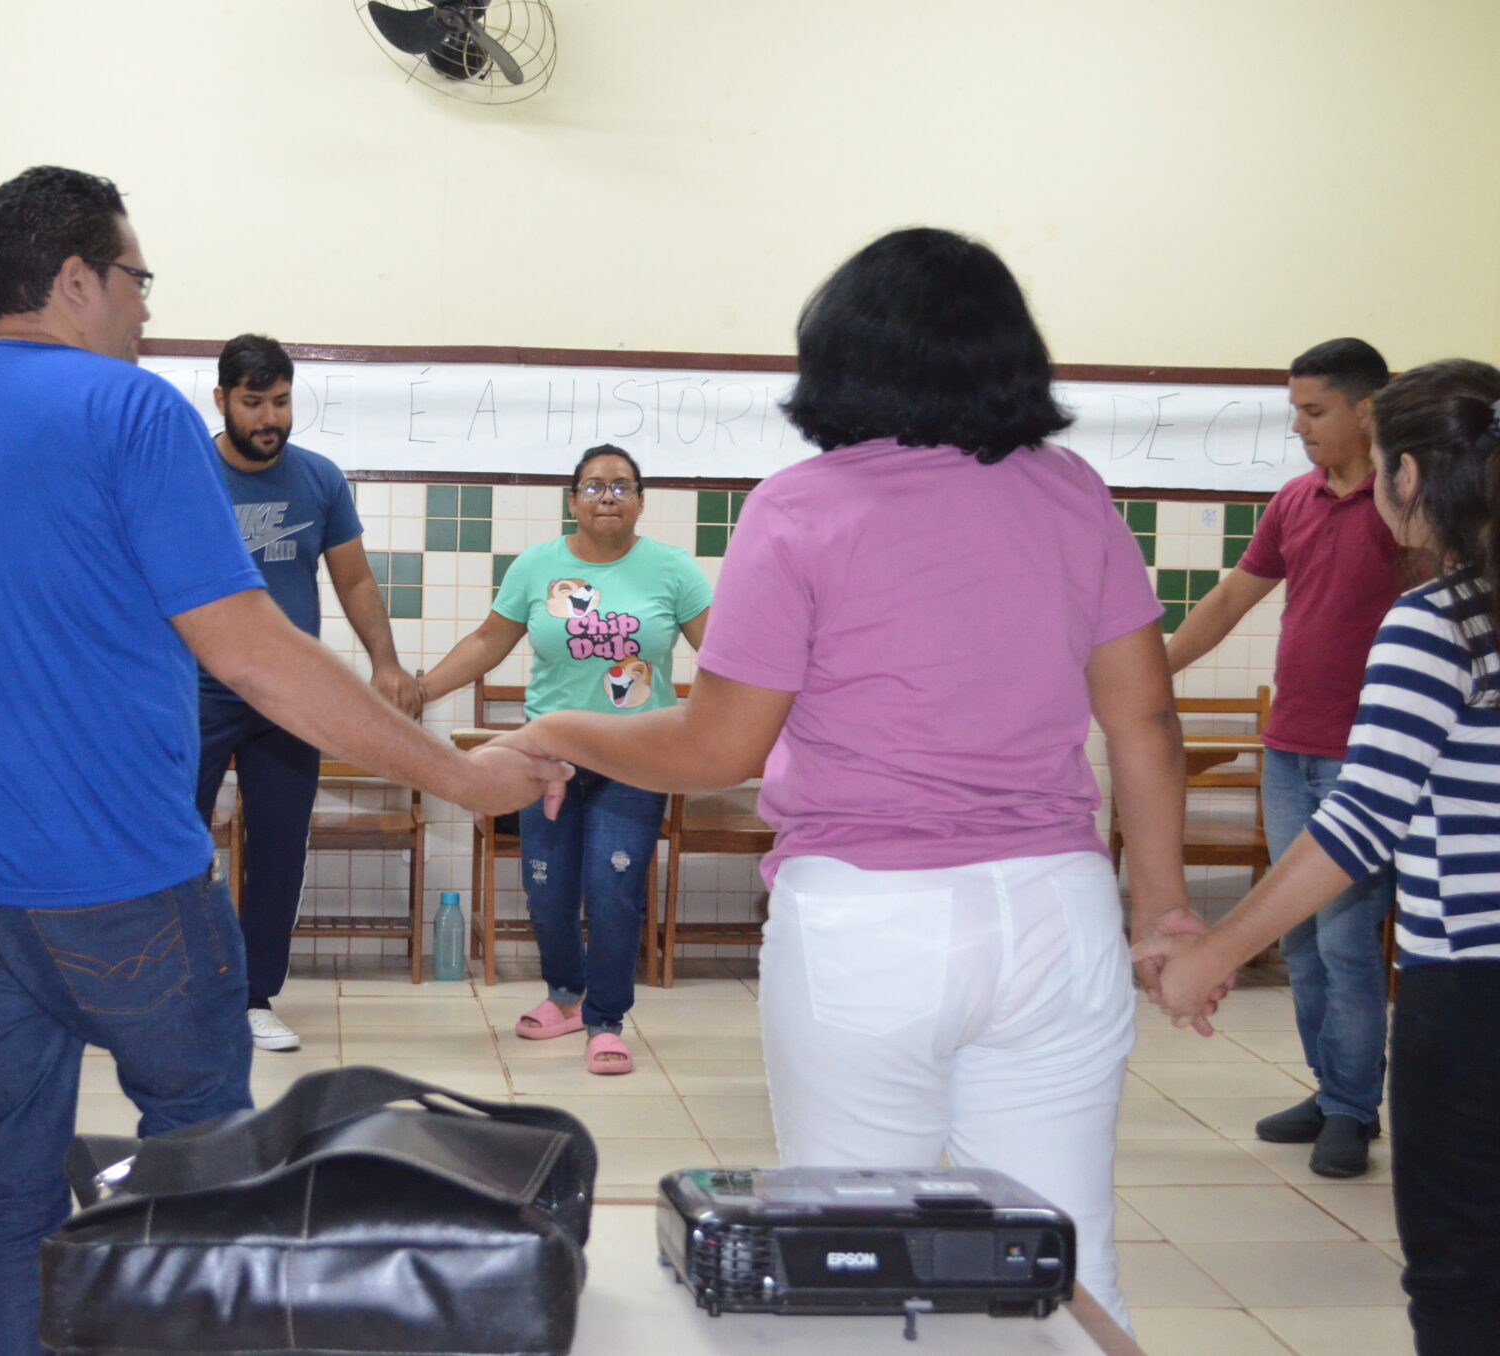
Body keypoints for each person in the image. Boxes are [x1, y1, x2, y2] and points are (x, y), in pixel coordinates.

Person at [0, 165, 565, 1356]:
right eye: (138, 278)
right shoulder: (132, 411)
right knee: (202, 1165)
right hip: (123, 885)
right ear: (74, 277)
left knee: (8, 1197)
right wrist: (458, 775)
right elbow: (254, 654)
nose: (147, 307)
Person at [493, 227, 1194, 1332]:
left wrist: (564, 729)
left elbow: (717, 745)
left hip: (869, 923)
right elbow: (1146, 718)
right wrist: (1161, 911)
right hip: (1056, 916)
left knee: (862, 1261)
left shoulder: (801, 506)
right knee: (1060, 1264)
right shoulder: (1070, 493)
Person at [1139, 360, 1500, 1354]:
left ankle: (1346, 1102)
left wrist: (1210, 952)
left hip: (1471, 993)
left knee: (1464, 1265)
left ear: (1410, 477)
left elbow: (1358, 820)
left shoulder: (1437, 622)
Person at [1164, 337, 1403, 1177]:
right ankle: (1330, 1087)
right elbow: (1232, 596)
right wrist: (1149, 671)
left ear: (1366, 408)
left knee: (1345, 941)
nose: (1299, 428)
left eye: (1314, 411)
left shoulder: (1410, 506)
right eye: (1294, 410)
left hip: (1364, 761)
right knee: (1299, 938)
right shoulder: (1295, 501)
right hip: (1290, 752)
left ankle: (1351, 1110)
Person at [420, 445, 709, 1073]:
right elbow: (488, 641)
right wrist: (420, 690)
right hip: (546, 754)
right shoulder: (536, 565)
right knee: (546, 889)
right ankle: (565, 995)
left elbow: (721, 656)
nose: (608, 497)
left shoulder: (673, 570)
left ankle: (605, 1020)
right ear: (572, 498)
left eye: (622, 487)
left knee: (614, 888)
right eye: (595, 486)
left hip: (637, 752)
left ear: (640, 500)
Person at [193, 333, 422, 1053]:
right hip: (194, 689)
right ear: (222, 399)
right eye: (254, 402)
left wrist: (385, 663)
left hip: (289, 697)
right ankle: (173, 990)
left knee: (281, 846)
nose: (270, 418)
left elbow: (353, 579)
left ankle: (254, 996)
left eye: (282, 402)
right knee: (170, 842)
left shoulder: (319, 479)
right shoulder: (183, 471)